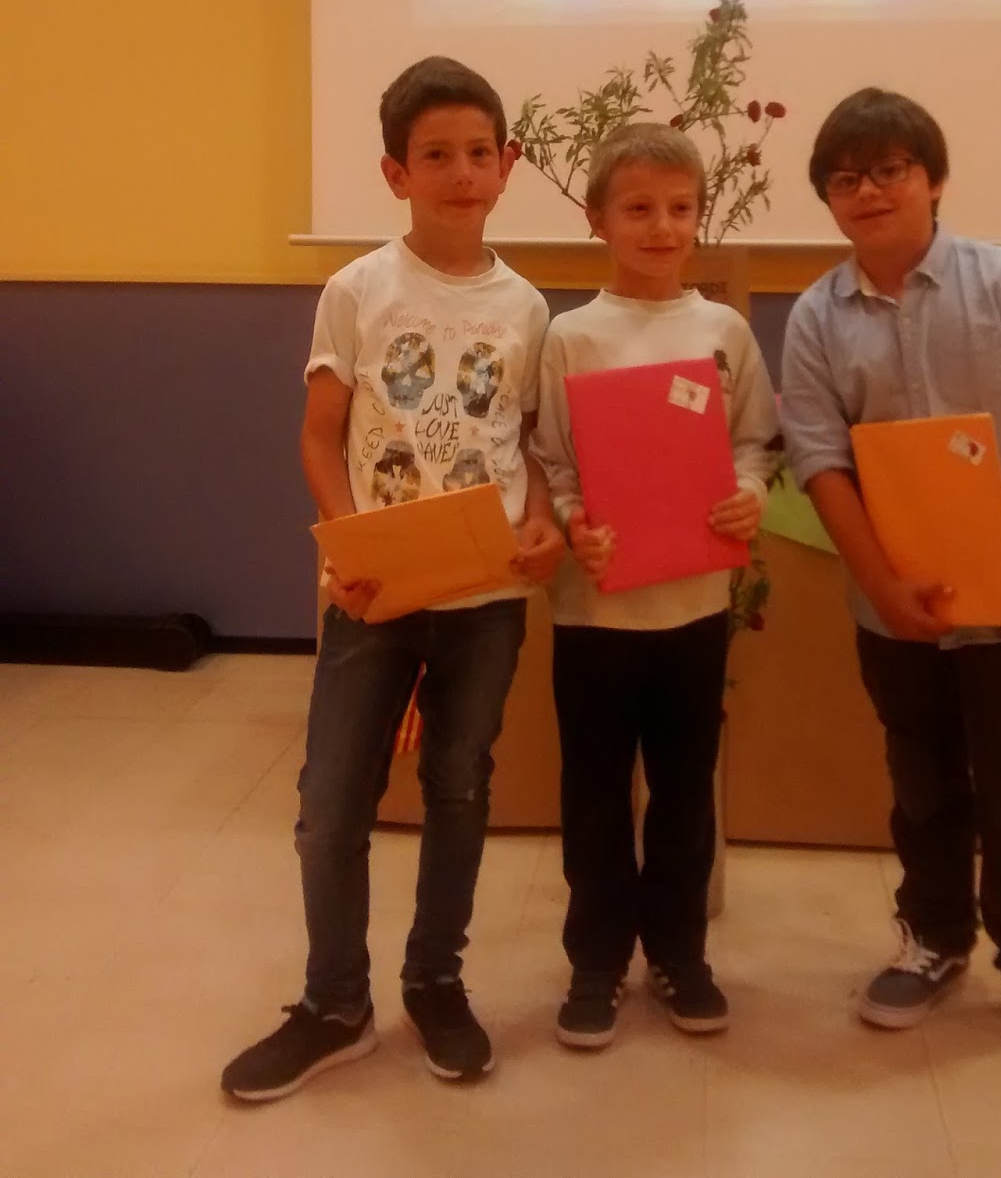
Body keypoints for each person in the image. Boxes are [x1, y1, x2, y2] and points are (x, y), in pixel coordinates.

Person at [221, 57, 563, 1098]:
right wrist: (349, 543)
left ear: (506, 165)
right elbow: (320, 435)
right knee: (331, 802)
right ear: (395, 172)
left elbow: (532, 445)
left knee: (460, 786)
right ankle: (335, 1003)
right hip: (373, 593)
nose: (459, 173)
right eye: (434, 155)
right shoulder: (358, 289)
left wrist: (543, 522)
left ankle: (435, 981)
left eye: (477, 153)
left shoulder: (528, 307)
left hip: (485, 598)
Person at [779, 86, 1001, 1091]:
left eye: (890, 170)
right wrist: (881, 586)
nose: (869, 191)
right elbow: (821, 463)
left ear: (933, 179)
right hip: (896, 607)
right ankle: (934, 939)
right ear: (830, 200)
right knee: (922, 779)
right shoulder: (815, 315)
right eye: (846, 179)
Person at [533, 123, 780, 1050]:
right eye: (638, 208)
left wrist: (749, 496)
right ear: (598, 219)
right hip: (594, 612)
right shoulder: (571, 336)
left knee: (684, 790)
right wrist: (574, 526)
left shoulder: (724, 332)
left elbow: (755, 444)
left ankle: (679, 953)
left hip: (694, 610)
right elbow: (552, 462)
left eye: (680, 208)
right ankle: (596, 959)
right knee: (594, 792)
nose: (662, 226)